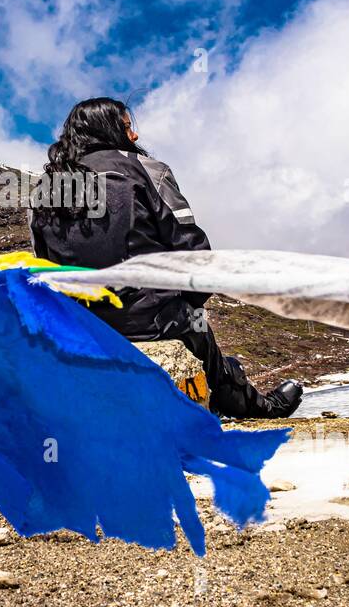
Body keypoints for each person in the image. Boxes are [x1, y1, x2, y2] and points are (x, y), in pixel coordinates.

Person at [28, 97, 303, 418]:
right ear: (109, 129)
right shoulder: (148, 171)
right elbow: (193, 254)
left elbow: (44, 266)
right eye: (127, 127)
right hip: (151, 320)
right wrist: (188, 302)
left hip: (84, 327)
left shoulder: (44, 190)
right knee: (196, 329)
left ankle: (221, 385)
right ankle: (256, 406)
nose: (134, 137)